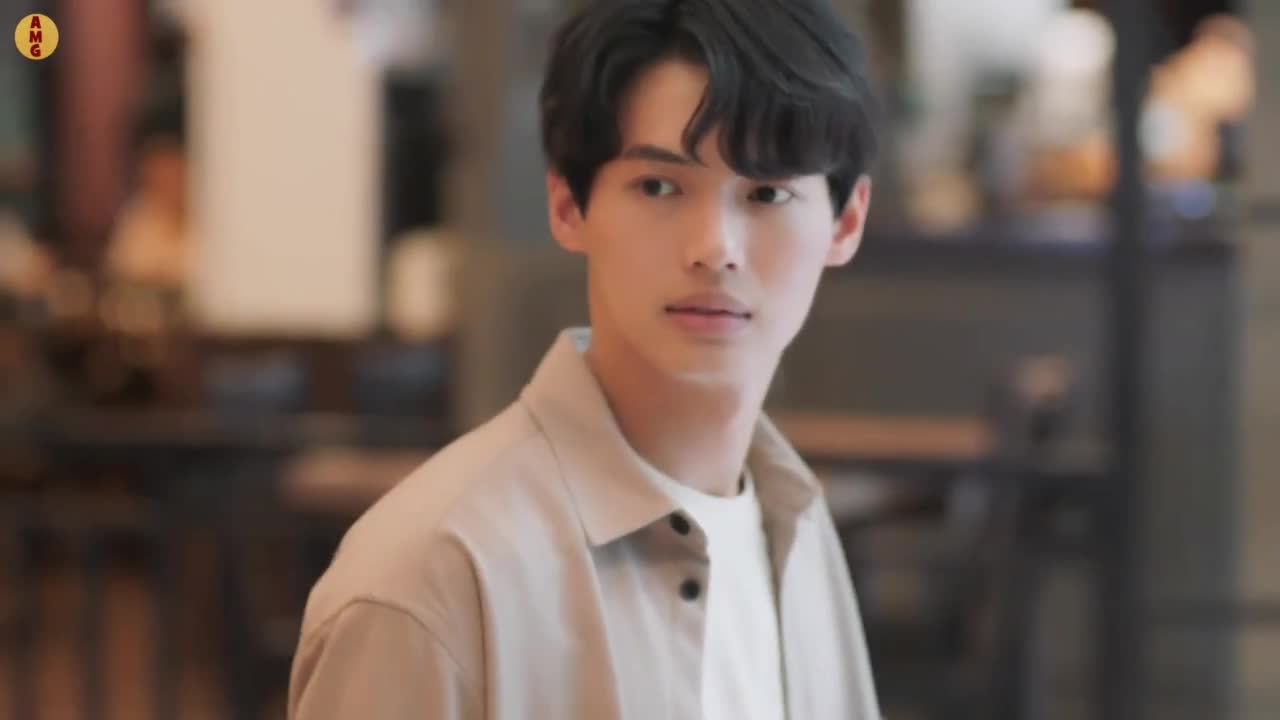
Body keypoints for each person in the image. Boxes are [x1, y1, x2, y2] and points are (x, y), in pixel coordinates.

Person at [288, 1, 879, 718]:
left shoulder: (798, 525)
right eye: (659, 186)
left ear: (845, 222)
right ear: (568, 205)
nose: (714, 247)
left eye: (767, 192)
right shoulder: (430, 583)